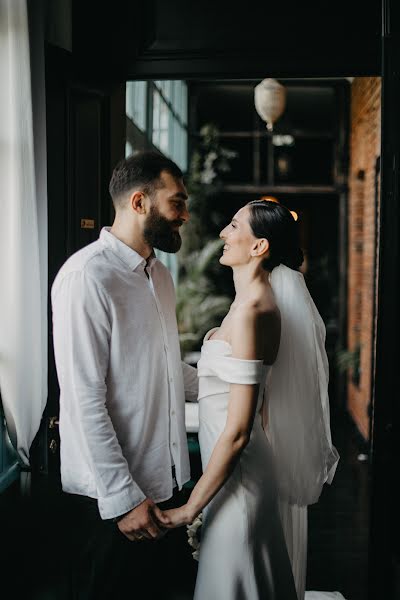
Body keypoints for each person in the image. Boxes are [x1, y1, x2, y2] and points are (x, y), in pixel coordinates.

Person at [158, 199, 339, 599]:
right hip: (231, 476)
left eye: (234, 226)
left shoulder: (251, 312)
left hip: (238, 478)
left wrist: (191, 507)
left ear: (259, 247)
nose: (223, 233)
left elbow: (239, 431)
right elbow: (220, 388)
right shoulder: (246, 305)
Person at [51, 150, 199, 600]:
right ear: (139, 202)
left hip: (168, 482)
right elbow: (83, 399)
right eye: (176, 203)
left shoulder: (161, 277)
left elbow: (164, 368)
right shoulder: (87, 277)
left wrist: (231, 386)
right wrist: (124, 499)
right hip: (114, 500)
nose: (185, 215)